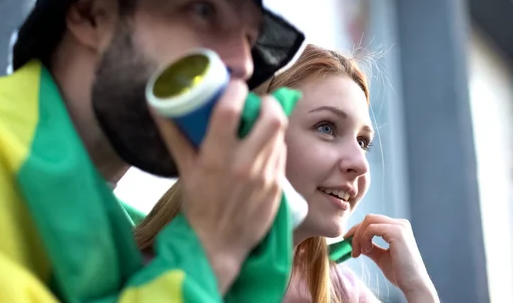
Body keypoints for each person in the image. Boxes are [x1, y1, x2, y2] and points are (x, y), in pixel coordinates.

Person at [0, 0, 307, 302]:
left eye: (250, 39)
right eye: (203, 11)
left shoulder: (114, 230)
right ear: (90, 16)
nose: (242, 64)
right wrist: (209, 250)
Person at [134, 45, 440, 303]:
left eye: (363, 142)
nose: (360, 164)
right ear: (255, 132)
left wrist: (419, 291)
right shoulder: (146, 269)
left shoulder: (344, 294)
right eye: (327, 127)